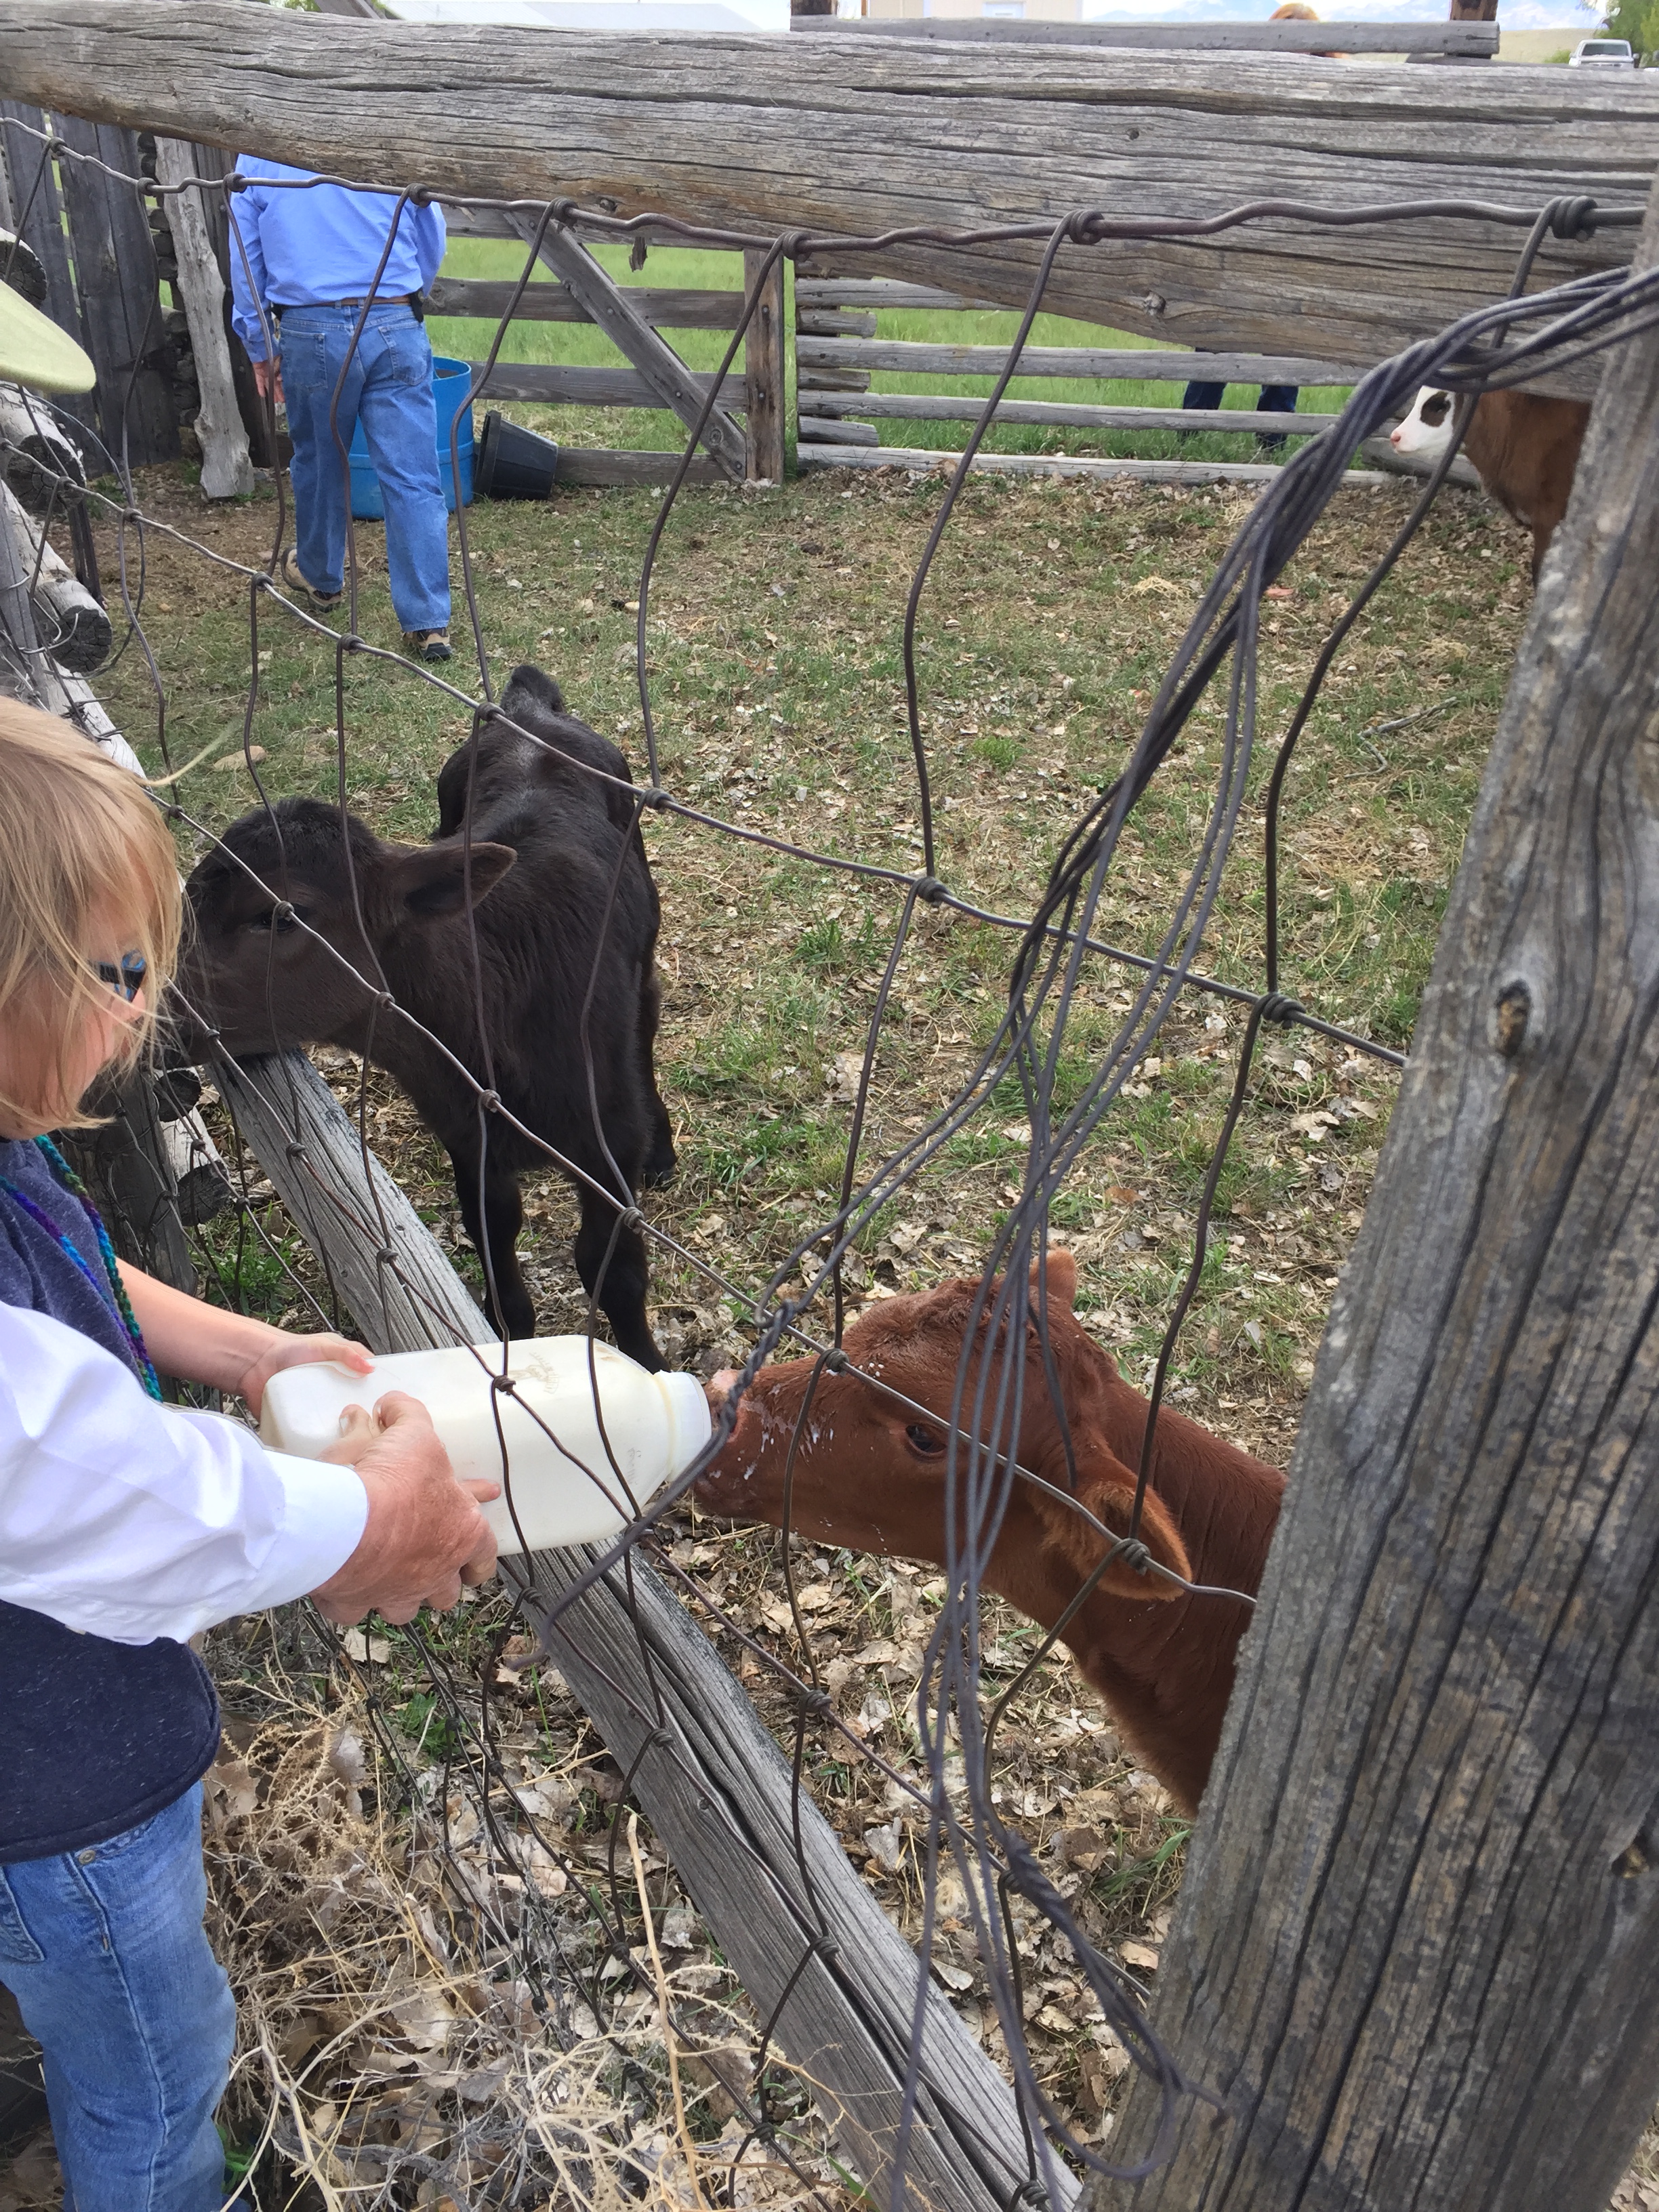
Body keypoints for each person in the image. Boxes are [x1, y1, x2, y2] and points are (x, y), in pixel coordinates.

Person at [0, 697, 498, 2211]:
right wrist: (364, 1517)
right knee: (156, 2062)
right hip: (59, 1798)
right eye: (123, 970)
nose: (151, 1004)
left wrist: (248, 1349)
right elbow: (107, 1483)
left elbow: (69, 1266)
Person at [226, 159, 454, 663]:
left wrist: (260, 343)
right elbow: (430, 229)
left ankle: (322, 578)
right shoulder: (384, 139)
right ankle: (429, 622)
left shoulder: (256, 154)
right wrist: (406, 294)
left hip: (311, 327)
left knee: (319, 458)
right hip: (395, 319)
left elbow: (246, 255)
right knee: (413, 475)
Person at [1179, 3, 1341, 449]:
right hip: (1239, 232)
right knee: (1216, 330)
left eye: (1305, 50)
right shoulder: (1246, 95)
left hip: (1299, 237)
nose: (1295, 59)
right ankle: (1191, 434)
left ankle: (1272, 441)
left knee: (1286, 337)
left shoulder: (1331, 101)